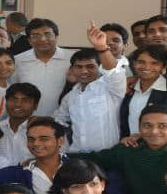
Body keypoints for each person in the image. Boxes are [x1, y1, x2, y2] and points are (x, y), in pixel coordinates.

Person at [54, 25, 126, 153]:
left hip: (108, 156)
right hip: (77, 156)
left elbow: (113, 71)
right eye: (79, 67)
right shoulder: (71, 96)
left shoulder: (110, 88)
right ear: (72, 69)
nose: (84, 71)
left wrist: (102, 48)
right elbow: (58, 121)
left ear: (99, 67)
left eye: (90, 66)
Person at [12, 18, 71, 116]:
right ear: (29, 41)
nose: (42, 39)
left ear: (56, 37)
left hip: (64, 121)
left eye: (47, 34)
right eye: (36, 35)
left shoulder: (71, 59)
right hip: (28, 120)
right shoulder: (18, 61)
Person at [119, 45, 167, 137]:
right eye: (141, 62)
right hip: (130, 146)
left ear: (164, 67)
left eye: (154, 63)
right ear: (134, 64)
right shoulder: (128, 88)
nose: (147, 67)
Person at [0, 83, 40, 165]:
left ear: (35, 106)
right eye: (13, 99)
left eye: (25, 101)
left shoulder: (46, 131)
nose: (18, 104)